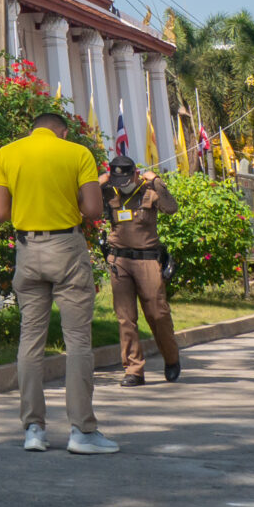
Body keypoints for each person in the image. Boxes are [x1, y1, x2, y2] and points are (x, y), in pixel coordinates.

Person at [0, 110, 116, 455]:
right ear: (61, 132)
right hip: (66, 249)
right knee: (77, 341)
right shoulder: (76, 153)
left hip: (27, 250)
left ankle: (33, 429)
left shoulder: (7, 153)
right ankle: (81, 431)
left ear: (33, 130)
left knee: (30, 340)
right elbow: (92, 209)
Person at [100, 154, 181, 386]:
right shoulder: (108, 192)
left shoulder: (148, 191)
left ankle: (171, 358)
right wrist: (99, 181)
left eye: (125, 180)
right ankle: (134, 369)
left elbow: (171, 208)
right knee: (126, 317)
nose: (121, 186)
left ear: (135, 175)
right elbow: (85, 207)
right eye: (117, 181)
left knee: (158, 313)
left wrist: (157, 181)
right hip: (119, 261)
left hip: (147, 259)